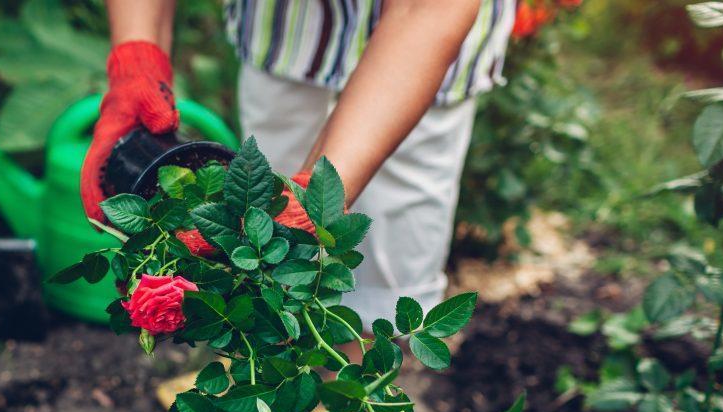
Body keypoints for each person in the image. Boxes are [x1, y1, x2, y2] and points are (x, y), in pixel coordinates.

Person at [81, 0, 516, 327]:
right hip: (286, 24)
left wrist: (316, 195)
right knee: (268, 221)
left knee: (392, 253)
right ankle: (275, 384)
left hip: (423, 38)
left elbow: (426, 11)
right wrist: (137, 57)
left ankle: (356, 400)